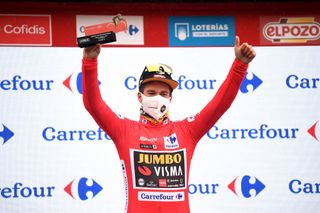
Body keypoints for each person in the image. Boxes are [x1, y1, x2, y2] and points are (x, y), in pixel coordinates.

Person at [81, 36, 255, 213]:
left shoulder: (186, 131)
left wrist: (240, 65)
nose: (158, 97)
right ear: (139, 97)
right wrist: (90, 61)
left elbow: (220, 104)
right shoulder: (125, 130)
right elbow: (93, 104)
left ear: (170, 98)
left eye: (164, 93)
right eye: (151, 92)